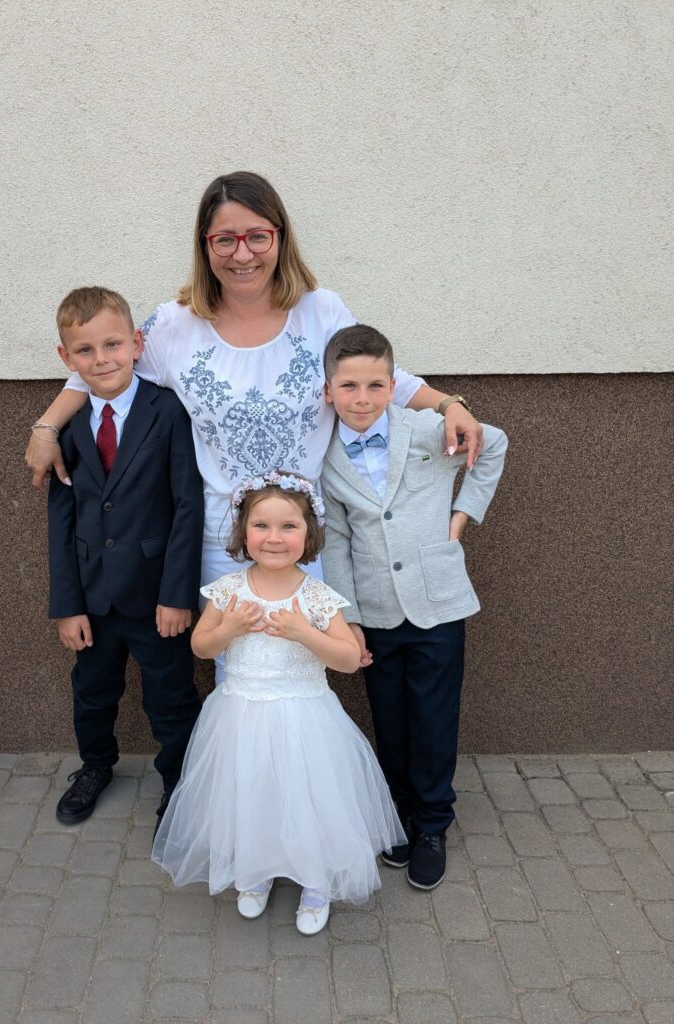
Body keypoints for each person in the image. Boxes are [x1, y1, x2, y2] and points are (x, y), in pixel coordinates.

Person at [25, 172, 484, 651]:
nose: (242, 255)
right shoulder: (174, 325)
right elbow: (101, 369)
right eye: (225, 240)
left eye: (257, 237)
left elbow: (384, 375)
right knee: (240, 668)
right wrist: (47, 427)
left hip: (305, 535)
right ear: (204, 245)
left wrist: (447, 403)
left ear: (280, 237)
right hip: (221, 540)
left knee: (305, 666)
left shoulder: (321, 311)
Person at [152, 472, 405, 935]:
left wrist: (304, 633)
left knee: (308, 798)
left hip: (304, 718)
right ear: (243, 531)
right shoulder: (229, 590)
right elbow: (200, 646)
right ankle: (256, 870)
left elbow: (349, 659)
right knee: (253, 792)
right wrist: (229, 629)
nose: (274, 537)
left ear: (309, 534)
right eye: (261, 526)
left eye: (288, 526)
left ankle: (316, 881)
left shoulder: (316, 596)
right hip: (240, 715)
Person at [319, 324, 507, 890]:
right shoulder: (324, 455)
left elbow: (494, 444)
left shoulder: (426, 429)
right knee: (390, 715)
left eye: (376, 385)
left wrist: (460, 518)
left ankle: (432, 823)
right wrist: (349, 618)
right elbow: (336, 541)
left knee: (433, 714)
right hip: (375, 607)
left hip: (437, 602)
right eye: (349, 386)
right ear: (328, 390)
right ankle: (398, 811)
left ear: (392, 385)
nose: (362, 399)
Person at [47, 287, 203, 826]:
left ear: (137, 344)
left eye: (112, 344)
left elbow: (188, 507)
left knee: (171, 697)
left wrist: (177, 595)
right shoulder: (68, 426)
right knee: (92, 692)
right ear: (67, 358)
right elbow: (61, 519)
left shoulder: (168, 411)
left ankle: (178, 784)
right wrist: (67, 606)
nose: (101, 359)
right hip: (92, 597)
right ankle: (95, 766)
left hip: (156, 595)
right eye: (85, 350)